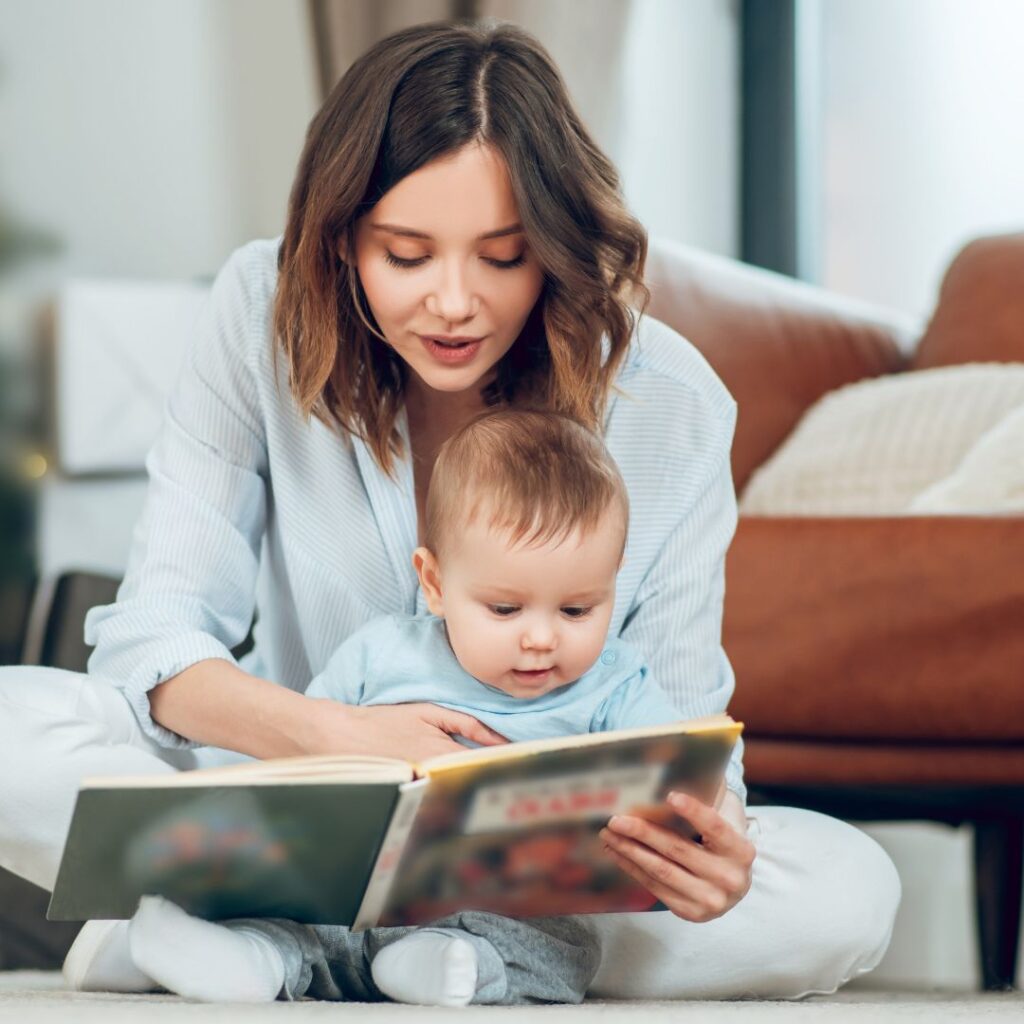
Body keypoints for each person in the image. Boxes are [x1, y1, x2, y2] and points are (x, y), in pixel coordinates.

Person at [0, 19, 900, 1002]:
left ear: (555, 248)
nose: (454, 302)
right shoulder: (261, 311)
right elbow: (156, 640)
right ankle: (328, 939)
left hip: (540, 872)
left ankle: (212, 929)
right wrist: (337, 737)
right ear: (342, 240)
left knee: (848, 889)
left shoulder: (670, 404)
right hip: (288, 796)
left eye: (503, 257)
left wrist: (704, 848)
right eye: (407, 255)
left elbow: (680, 731)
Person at [114, 408, 695, 1006]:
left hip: (507, 909)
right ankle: (247, 962)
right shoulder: (381, 655)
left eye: (576, 611)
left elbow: (683, 777)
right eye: (504, 610)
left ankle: (440, 965)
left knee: (565, 947)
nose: (542, 638)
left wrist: (691, 817)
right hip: (354, 895)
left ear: (612, 583)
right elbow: (298, 770)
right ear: (435, 583)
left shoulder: (617, 684)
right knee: (289, 918)